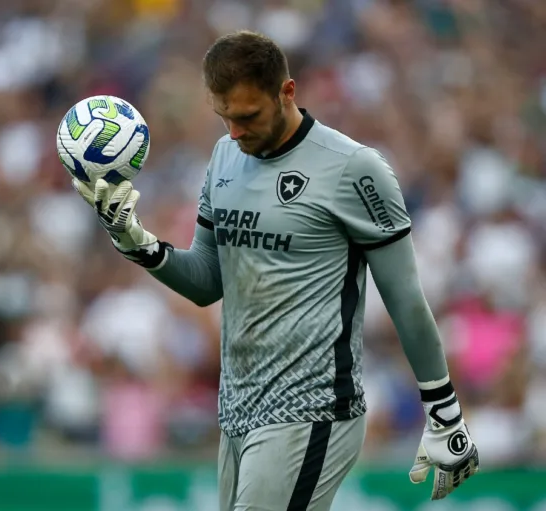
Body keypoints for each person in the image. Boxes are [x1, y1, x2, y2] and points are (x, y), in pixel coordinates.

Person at [72, 30, 479, 511]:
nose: (235, 132)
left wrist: (444, 412)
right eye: (224, 117)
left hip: (313, 408)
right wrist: (135, 241)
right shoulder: (225, 156)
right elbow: (207, 282)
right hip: (238, 412)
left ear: (287, 92)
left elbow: (406, 298)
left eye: (248, 116)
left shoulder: (353, 168)